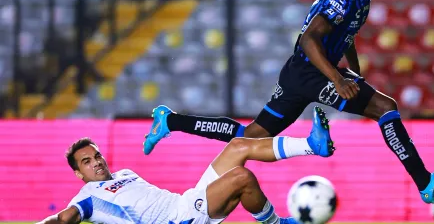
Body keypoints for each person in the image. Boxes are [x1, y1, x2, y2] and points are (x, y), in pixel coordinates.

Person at [143, 0, 434, 205]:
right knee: (385, 106)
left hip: (300, 72)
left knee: (248, 138)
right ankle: (425, 182)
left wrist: (352, 69)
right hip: (311, 71)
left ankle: (170, 121)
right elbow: (310, 40)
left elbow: (346, 34)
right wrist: (338, 80)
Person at [36, 107, 334, 224]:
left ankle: (312, 145)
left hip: (186, 204)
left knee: (238, 146)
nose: (96, 162)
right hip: (178, 220)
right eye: (87, 162)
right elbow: (63, 219)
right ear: (78, 173)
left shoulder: (125, 174)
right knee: (241, 176)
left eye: (97, 156)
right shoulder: (88, 196)